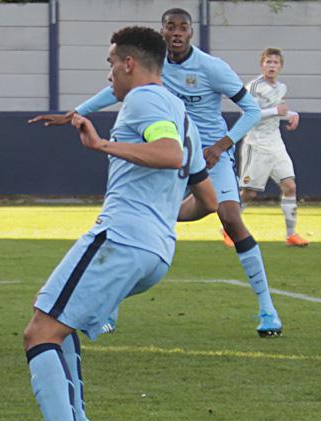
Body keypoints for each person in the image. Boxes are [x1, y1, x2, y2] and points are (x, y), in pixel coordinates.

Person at [18, 26, 214, 421]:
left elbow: (168, 154)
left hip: (122, 238)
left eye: (111, 64)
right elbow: (206, 201)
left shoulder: (143, 100)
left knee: (39, 332)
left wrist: (101, 144)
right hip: (156, 251)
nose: (109, 74)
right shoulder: (182, 113)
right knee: (57, 319)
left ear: (129, 63)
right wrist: (161, 215)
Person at [32, 7, 283, 337]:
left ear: (191, 32)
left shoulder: (211, 67)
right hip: (172, 152)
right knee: (137, 217)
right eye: (170, 27)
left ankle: (267, 308)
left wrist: (220, 146)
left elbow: (251, 110)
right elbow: (115, 88)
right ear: (162, 31)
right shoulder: (153, 67)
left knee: (230, 217)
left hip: (208, 154)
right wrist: (75, 113)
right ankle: (109, 307)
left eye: (183, 27)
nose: (176, 32)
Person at [238, 48, 308, 247]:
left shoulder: (281, 87)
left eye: (276, 62)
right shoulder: (253, 87)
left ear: (281, 67)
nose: (272, 66)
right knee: (249, 193)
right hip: (257, 144)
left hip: (276, 144)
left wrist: (292, 114)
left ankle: (291, 234)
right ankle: (228, 227)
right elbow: (249, 114)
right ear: (262, 65)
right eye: (268, 62)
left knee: (290, 186)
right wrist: (276, 111)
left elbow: (278, 112)